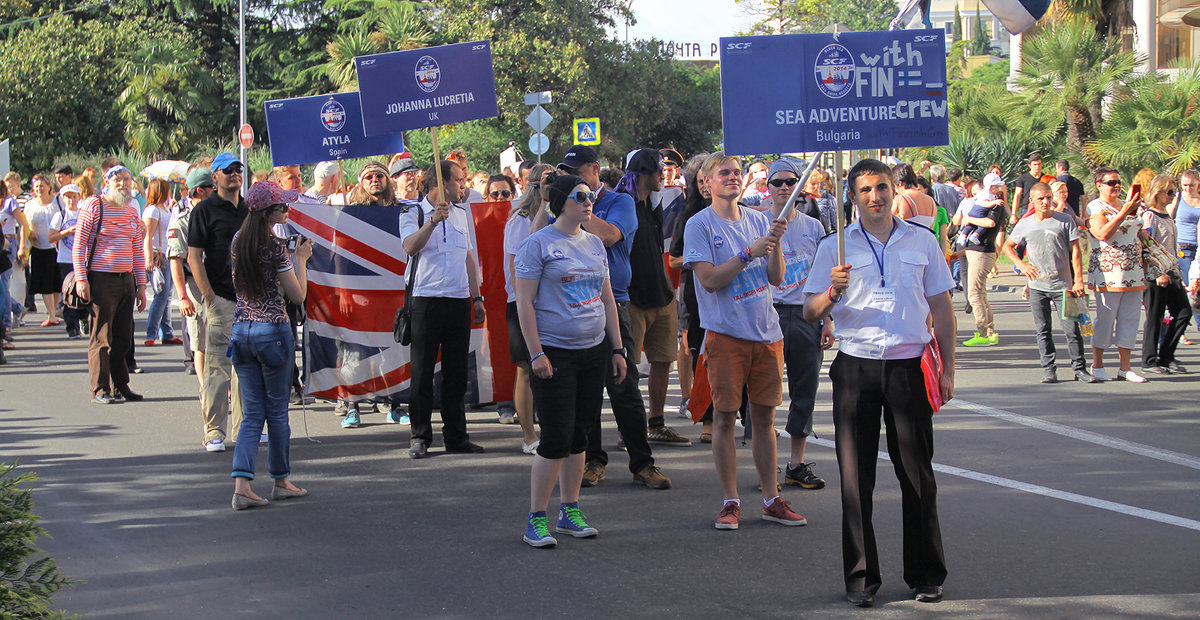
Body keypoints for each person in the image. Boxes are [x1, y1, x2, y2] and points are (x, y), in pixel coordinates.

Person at [803, 158, 956, 607]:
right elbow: (810, 311)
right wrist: (831, 292)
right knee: (856, 479)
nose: (875, 196)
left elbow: (942, 307)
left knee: (918, 475)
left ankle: (926, 574)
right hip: (856, 368)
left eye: (882, 187)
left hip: (909, 367)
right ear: (852, 197)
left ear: (895, 190)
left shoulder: (922, 241)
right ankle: (861, 579)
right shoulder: (836, 246)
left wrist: (948, 368)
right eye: (865, 189)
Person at [682, 152, 805, 531]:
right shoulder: (699, 225)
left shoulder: (759, 219)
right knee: (723, 418)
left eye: (737, 173)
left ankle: (771, 498)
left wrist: (776, 243)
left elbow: (776, 277)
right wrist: (747, 251)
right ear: (707, 182)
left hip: (766, 334)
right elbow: (709, 280)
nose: (734, 178)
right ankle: (730, 500)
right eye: (725, 173)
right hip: (726, 335)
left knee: (765, 420)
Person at [514, 172, 627, 547]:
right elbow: (525, 304)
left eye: (589, 195)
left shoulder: (595, 244)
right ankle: (536, 518)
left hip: (592, 351)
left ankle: (570, 509)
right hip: (554, 352)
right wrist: (536, 353)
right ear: (560, 202)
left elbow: (607, 299)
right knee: (556, 437)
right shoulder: (538, 245)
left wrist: (617, 348)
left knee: (581, 433)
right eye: (580, 196)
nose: (587, 200)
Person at [555, 145, 670, 490]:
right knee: (584, 390)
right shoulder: (565, 202)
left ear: (595, 169)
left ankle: (642, 463)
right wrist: (552, 198)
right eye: (567, 174)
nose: (571, 180)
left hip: (613, 305)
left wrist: (577, 203)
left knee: (623, 387)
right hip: (575, 305)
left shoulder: (620, 202)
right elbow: (544, 237)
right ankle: (593, 460)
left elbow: (608, 236)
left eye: (577, 173)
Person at [228, 181, 312, 510]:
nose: (287, 211)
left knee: (252, 413)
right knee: (277, 412)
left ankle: (242, 483)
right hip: (272, 331)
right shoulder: (274, 246)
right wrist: (301, 258)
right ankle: (281, 480)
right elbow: (297, 295)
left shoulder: (238, 241)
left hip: (242, 329)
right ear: (269, 212)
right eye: (282, 207)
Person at [400, 160, 487, 458]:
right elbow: (410, 247)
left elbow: (469, 258)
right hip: (425, 300)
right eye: (459, 180)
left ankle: (456, 436)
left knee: (456, 372)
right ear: (441, 183)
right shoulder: (413, 211)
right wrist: (433, 221)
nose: (463, 186)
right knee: (422, 371)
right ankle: (420, 435)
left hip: (458, 299)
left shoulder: (462, 215)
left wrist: (477, 297)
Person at [766, 160, 833, 490]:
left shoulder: (812, 226)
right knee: (764, 394)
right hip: (769, 314)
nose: (783, 187)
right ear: (768, 187)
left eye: (790, 181)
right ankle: (768, 468)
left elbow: (821, 276)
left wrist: (827, 320)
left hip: (805, 314)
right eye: (777, 182)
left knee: (804, 390)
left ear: (799, 185)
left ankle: (795, 463)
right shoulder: (756, 222)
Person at [617, 148, 691, 447]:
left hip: (662, 295)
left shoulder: (653, 204)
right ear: (644, 173)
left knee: (663, 361)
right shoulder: (623, 204)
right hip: (632, 297)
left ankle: (656, 424)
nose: (665, 173)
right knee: (628, 367)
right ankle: (628, 429)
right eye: (660, 169)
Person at [1002, 183, 1098, 383]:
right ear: (1032, 201)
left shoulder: (1064, 220)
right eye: (1041, 198)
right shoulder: (1025, 224)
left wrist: (1078, 280)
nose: (1045, 202)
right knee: (1043, 329)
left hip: (1064, 285)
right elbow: (1007, 246)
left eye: (1048, 197)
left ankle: (1079, 368)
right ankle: (1049, 368)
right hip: (1038, 286)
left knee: (1072, 328)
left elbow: (1076, 252)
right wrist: (1022, 264)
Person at [187, 153, 248, 452]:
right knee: (217, 367)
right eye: (228, 171)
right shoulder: (204, 211)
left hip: (250, 300)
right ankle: (213, 431)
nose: (235, 174)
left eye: (238, 169)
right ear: (215, 177)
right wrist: (207, 295)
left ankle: (243, 428)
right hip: (220, 298)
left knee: (245, 367)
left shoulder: (250, 209)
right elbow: (193, 257)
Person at [338, 162, 406, 427]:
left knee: (393, 354)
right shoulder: (350, 213)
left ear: (388, 180)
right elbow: (341, 255)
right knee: (355, 356)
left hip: (391, 296)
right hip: (359, 296)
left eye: (380, 175)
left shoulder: (401, 211)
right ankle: (352, 407)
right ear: (361, 182)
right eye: (369, 177)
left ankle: (394, 406)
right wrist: (344, 293)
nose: (375, 180)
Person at [73, 166, 148, 404]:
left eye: (127, 179)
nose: (123, 184)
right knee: (102, 337)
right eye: (118, 180)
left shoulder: (132, 211)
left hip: (126, 279)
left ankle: (120, 385)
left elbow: (137, 251)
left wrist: (141, 286)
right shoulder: (95, 205)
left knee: (123, 337)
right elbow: (79, 244)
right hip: (101, 279)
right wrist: (81, 279)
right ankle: (100, 388)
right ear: (107, 181)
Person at [503, 163, 552, 451]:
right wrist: (523, 297)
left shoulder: (560, 214)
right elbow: (520, 257)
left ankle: (551, 426)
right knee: (526, 367)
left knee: (551, 364)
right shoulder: (519, 219)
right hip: (522, 302)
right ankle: (528, 435)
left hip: (551, 303)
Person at [1085, 167, 1147, 383]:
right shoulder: (1095, 207)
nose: (1117, 186)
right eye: (1111, 182)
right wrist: (1124, 211)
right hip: (1108, 273)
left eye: (1119, 182)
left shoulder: (1127, 204)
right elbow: (1102, 233)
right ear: (1099, 185)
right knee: (1106, 318)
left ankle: (1125, 368)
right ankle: (1098, 364)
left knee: (1130, 320)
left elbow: (1138, 230)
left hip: (1133, 270)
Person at [1140, 174, 1191, 374]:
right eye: (1169, 192)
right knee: (1155, 316)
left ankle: (1166, 356)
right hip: (1156, 274)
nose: (1172, 196)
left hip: (1172, 271)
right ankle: (1149, 360)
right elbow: (1146, 245)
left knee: (1183, 313)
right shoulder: (1149, 216)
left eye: (1174, 192)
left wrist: (1176, 272)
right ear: (1157, 192)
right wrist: (1157, 272)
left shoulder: (1166, 215)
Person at [167, 168, 214, 386]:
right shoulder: (182, 222)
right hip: (196, 287)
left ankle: (226, 389)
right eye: (211, 188)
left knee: (222, 341)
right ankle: (207, 391)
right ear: (200, 191)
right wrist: (182, 296)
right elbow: (175, 260)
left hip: (221, 285)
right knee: (200, 343)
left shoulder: (219, 216)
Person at [961, 173, 1007, 346]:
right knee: (980, 293)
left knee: (974, 294)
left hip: (982, 252)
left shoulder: (996, 206)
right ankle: (990, 331)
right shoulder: (989, 202)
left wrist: (969, 219)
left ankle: (982, 332)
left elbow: (990, 223)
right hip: (978, 251)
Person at [141, 178, 179, 346]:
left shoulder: (164, 208)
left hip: (167, 253)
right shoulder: (153, 210)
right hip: (159, 255)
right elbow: (147, 235)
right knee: (161, 295)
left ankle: (167, 332)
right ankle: (152, 333)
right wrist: (148, 258)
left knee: (167, 296)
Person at [22, 174, 63, 325]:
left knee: (57, 283)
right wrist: (29, 233)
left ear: (49, 186)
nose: (40, 188)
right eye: (37, 186)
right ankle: (51, 315)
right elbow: (25, 225)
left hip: (56, 247)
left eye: (42, 185)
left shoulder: (57, 202)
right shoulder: (30, 205)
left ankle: (53, 311)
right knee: (45, 282)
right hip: (39, 248)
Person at [48, 184, 83, 339]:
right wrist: (67, 231)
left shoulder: (84, 214)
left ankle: (83, 316)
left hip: (83, 259)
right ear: (63, 198)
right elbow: (51, 237)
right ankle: (72, 326)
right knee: (70, 294)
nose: (71, 200)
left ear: (79, 197)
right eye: (68, 197)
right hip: (66, 260)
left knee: (85, 292)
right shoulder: (60, 215)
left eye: (74, 196)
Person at [1009, 154, 1044, 224]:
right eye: (1035, 164)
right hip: (1027, 208)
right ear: (1030, 165)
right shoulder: (1023, 178)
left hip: (1041, 208)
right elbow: (1017, 195)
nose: (1037, 167)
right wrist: (1013, 214)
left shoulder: (1045, 178)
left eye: (1039, 164)